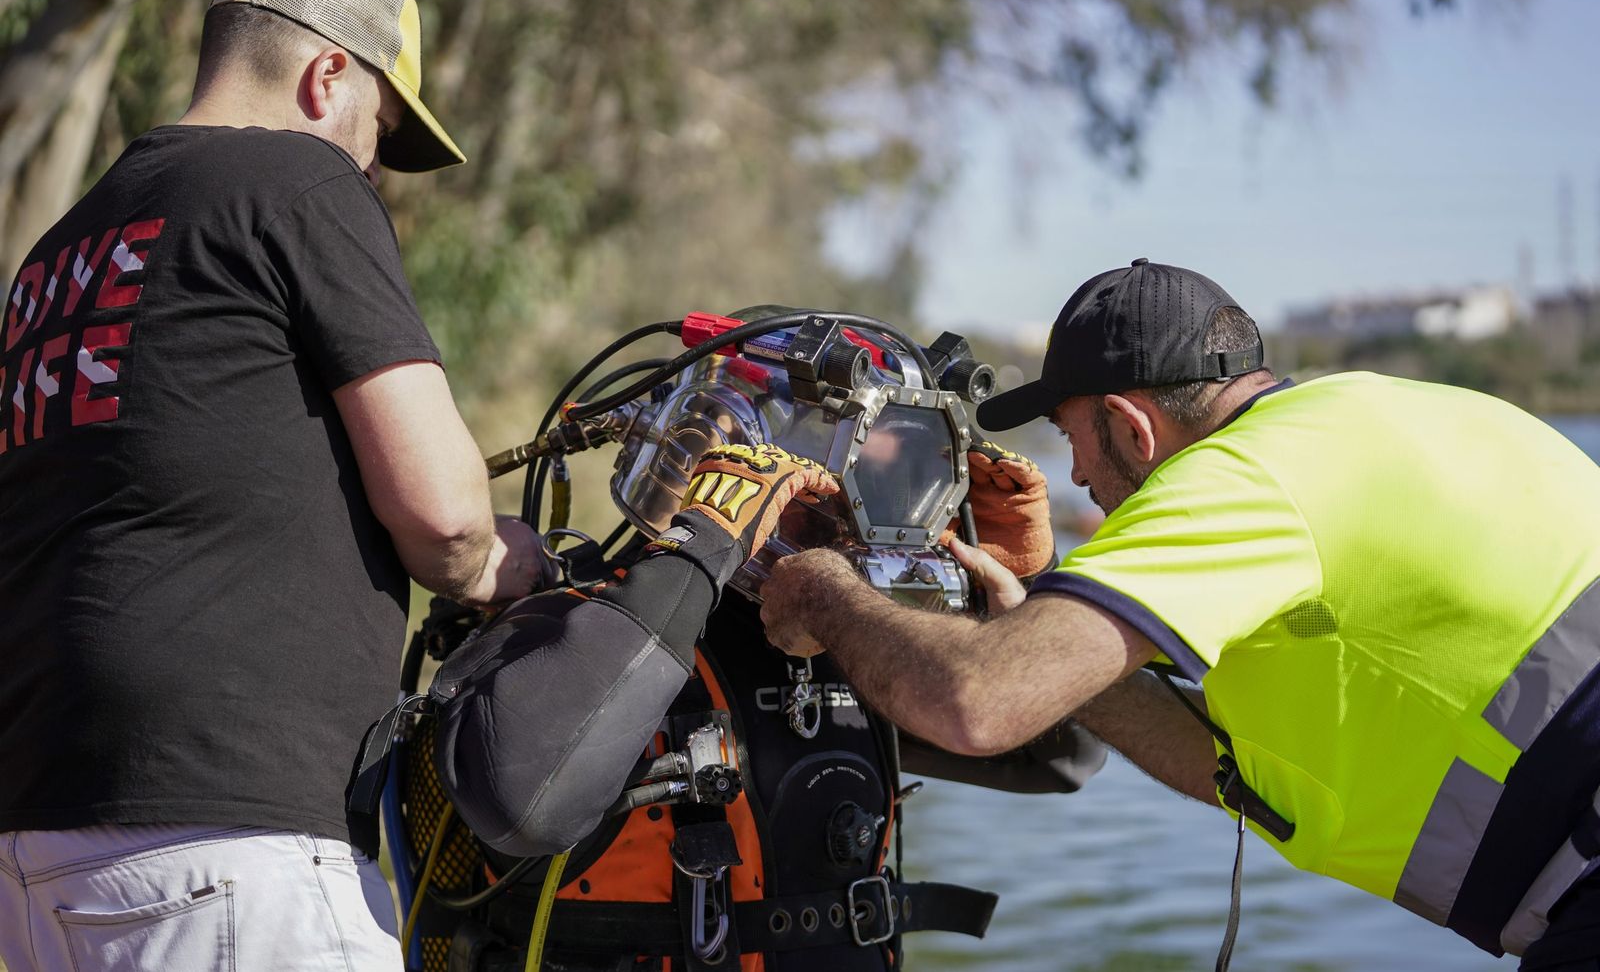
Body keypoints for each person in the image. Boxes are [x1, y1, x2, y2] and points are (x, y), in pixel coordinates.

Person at [760, 258, 1600, 970]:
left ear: (1131, 424)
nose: (1077, 473)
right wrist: (1040, 623)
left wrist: (815, 586)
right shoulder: (1386, 414)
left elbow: (974, 704)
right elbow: (1224, 767)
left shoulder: (1247, 479)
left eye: (1071, 433)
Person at [0, 0, 546, 972]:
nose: (371, 161)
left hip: (35, 847)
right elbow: (445, 520)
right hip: (224, 849)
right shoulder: (296, 178)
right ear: (326, 73)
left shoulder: (60, 249)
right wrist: (504, 570)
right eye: (378, 128)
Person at [398, 320, 1105, 972]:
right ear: (741, 464)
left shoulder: (856, 646)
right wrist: (703, 549)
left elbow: (1065, 758)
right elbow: (525, 804)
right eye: (841, 476)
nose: (860, 513)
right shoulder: (574, 627)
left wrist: (1022, 599)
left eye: (899, 479)